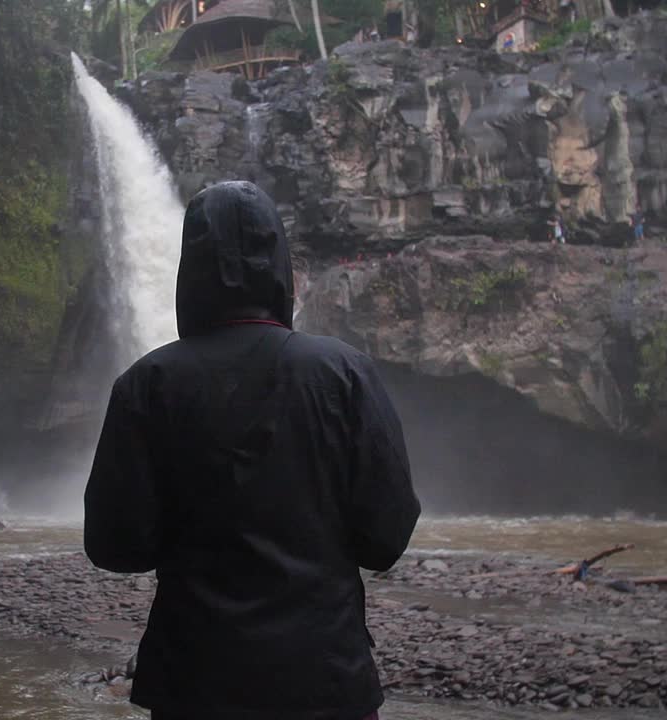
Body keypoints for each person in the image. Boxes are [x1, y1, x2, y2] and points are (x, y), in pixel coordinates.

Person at [84, 181, 420, 720]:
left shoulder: (145, 384)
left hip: (193, 679)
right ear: (280, 266)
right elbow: (385, 537)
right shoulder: (346, 373)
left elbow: (114, 545)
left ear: (189, 269)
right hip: (326, 675)